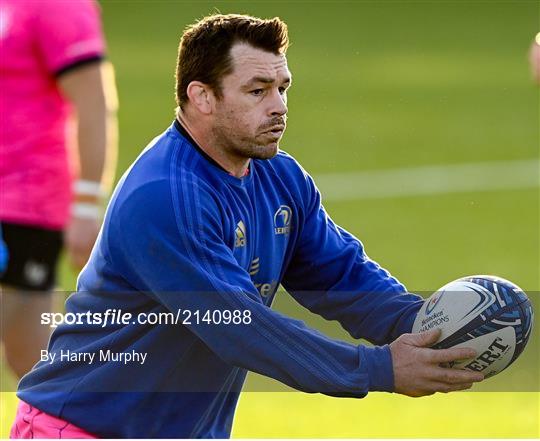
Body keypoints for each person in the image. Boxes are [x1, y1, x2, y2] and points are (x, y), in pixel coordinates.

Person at [11, 14, 483, 439]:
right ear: (202, 98)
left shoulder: (279, 177)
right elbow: (239, 328)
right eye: (257, 91)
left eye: (283, 88)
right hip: (80, 429)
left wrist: (426, 327)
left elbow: (341, 275)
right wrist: (379, 369)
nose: (278, 106)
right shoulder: (164, 196)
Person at [0, 0, 118, 378]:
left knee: (28, 349)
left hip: (21, 201)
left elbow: (93, 102)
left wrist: (86, 203)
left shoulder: (57, 5)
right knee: (29, 355)